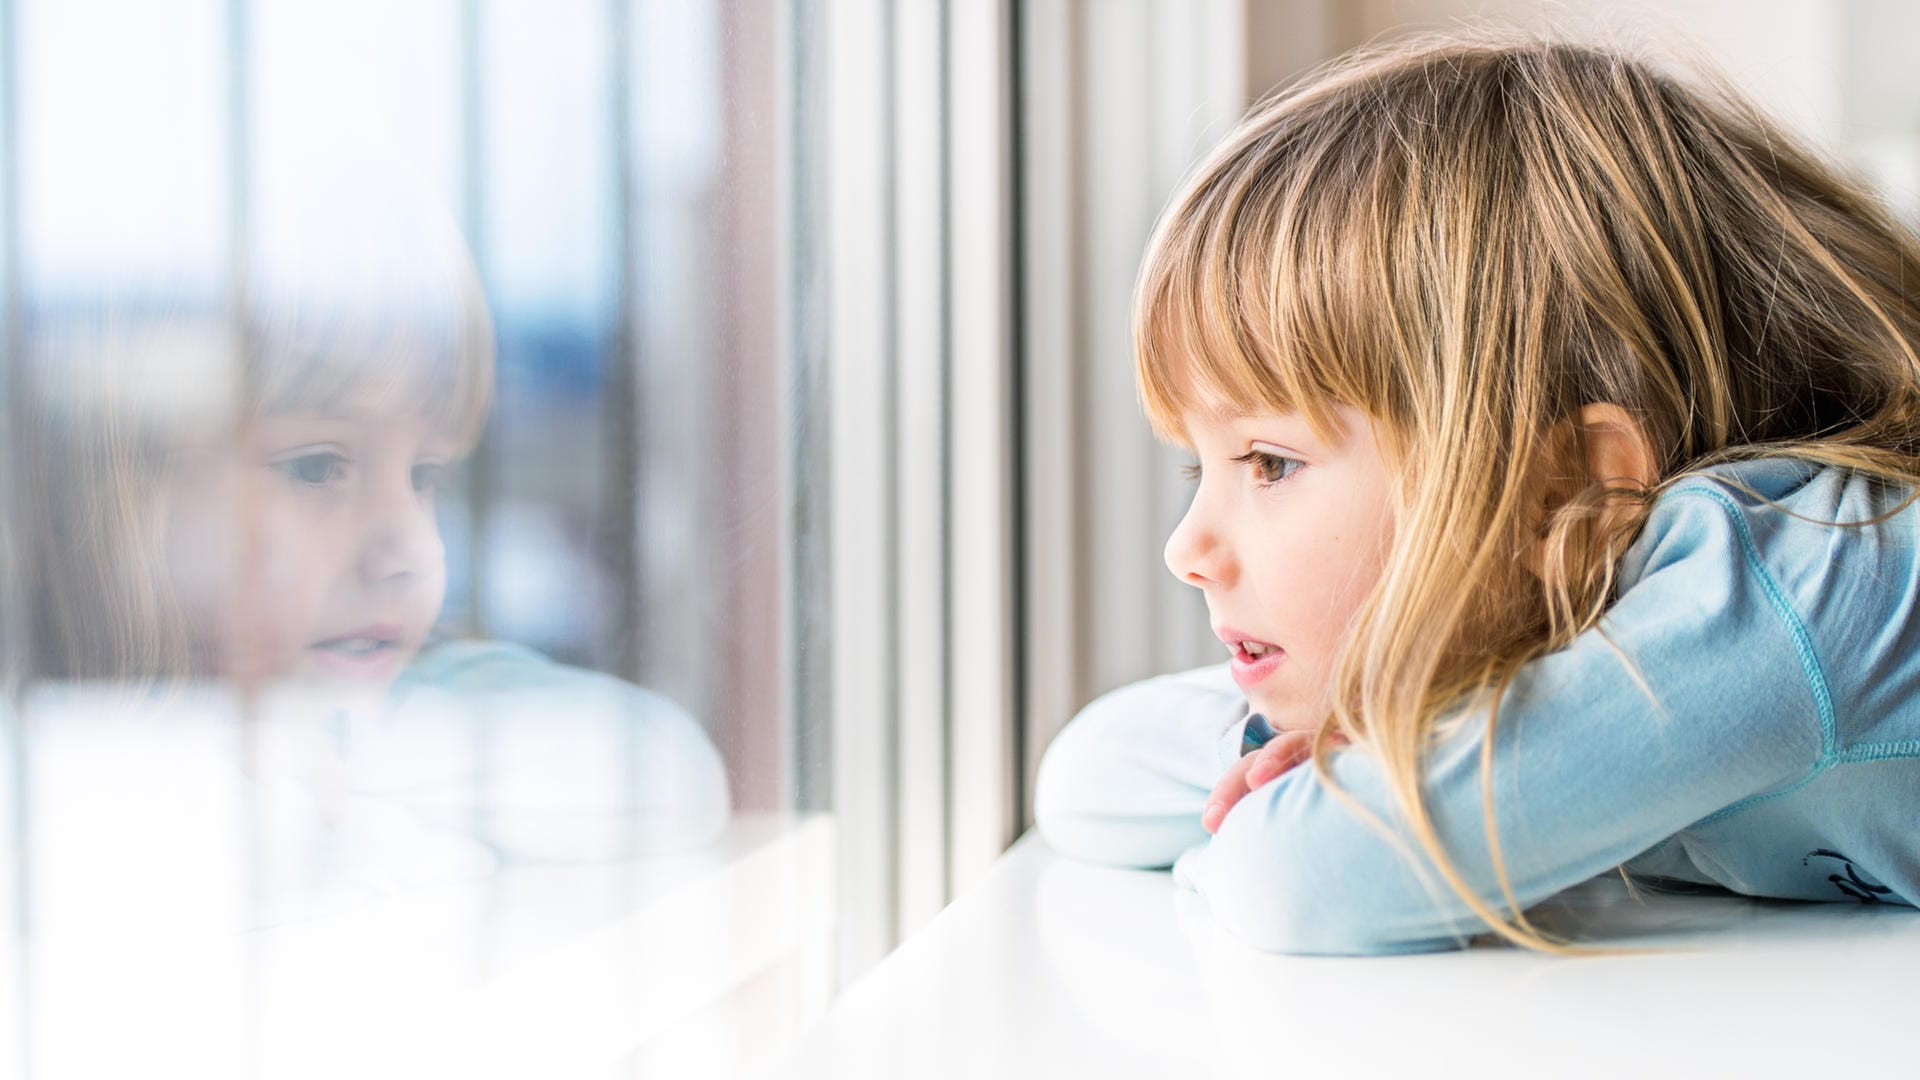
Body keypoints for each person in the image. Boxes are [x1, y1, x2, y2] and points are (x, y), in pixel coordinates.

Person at [1034, 32, 1920, 955]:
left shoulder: (1793, 585)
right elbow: (1089, 775)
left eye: (1270, 463)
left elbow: (1303, 878)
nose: (1188, 549)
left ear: (1566, 490)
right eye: (1199, 466)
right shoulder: (1566, 615)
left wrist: (1360, 779)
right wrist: (1337, 753)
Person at [8, 148, 729, 872]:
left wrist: (326, 777)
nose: (408, 549)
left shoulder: (402, 705)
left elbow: (666, 768)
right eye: (316, 468)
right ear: (124, 501)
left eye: (426, 476)